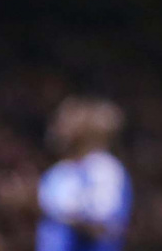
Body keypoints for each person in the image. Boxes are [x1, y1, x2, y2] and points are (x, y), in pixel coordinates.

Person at [36, 98, 131, 251]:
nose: (58, 129)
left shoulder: (104, 170)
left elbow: (102, 226)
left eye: (67, 123)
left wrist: (63, 214)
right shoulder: (58, 172)